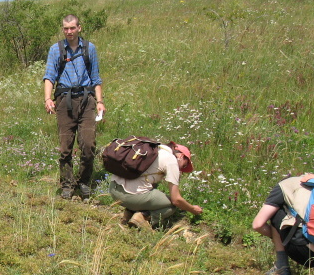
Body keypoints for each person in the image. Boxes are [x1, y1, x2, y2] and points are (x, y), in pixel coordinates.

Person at [43, 15, 105, 201]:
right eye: (65, 28)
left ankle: (84, 182)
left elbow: (96, 78)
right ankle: (67, 184)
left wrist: (100, 101)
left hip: (87, 101)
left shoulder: (89, 48)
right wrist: (47, 98)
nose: (69, 31)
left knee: (88, 144)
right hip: (64, 101)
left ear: (79, 27)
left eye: (72, 28)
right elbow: (49, 76)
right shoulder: (56, 49)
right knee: (65, 147)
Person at [251, 174, 314, 275]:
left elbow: (258, 225)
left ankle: (282, 267)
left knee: (276, 213)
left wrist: (280, 237)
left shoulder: (287, 185)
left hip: (302, 252)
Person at [108, 142, 203, 230]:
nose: (182, 169)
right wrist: (193, 209)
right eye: (184, 165)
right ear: (181, 156)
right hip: (129, 197)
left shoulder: (155, 149)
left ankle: (128, 213)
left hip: (113, 189)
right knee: (171, 206)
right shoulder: (172, 161)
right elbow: (176, 200)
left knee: (152, 186)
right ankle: (142, 217)